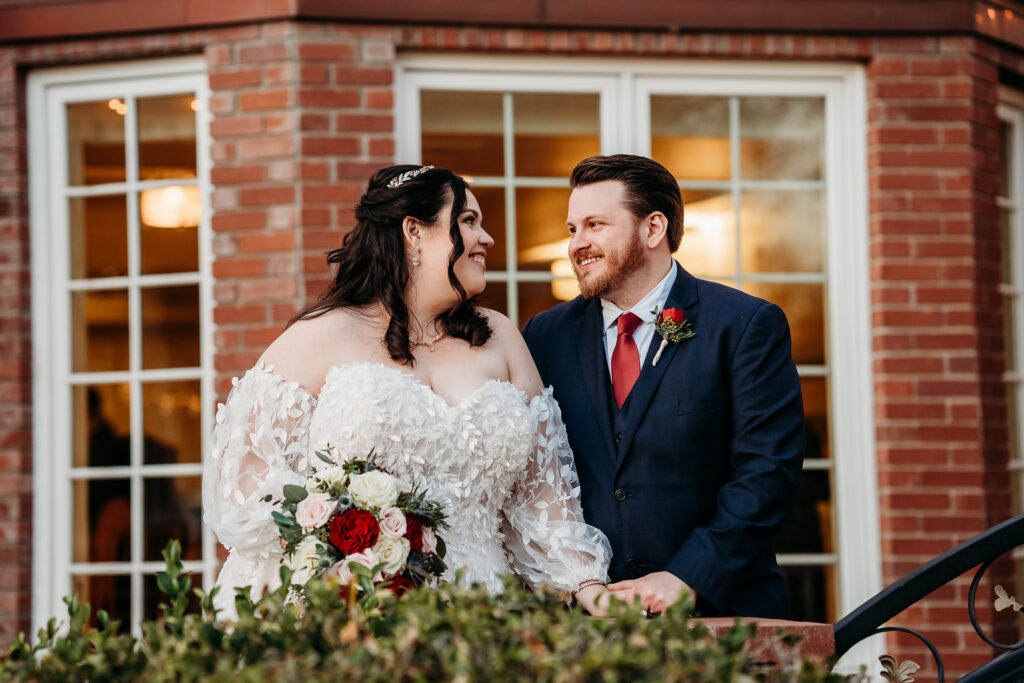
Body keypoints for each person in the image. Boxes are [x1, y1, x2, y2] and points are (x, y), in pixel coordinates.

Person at [202, 165, 612, 621]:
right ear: (414, 231)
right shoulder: (321, 335)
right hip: (347, 605)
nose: (487, 238)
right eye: (468, 221)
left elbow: (542, 498)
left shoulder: (500, 337)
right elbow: (242, 474)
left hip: (480, 607)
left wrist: (588, 586)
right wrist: (343, 532)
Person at [521, 154, 804, 619]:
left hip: (718, 614)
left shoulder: (743, 325)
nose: (577, 244)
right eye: (572, 229)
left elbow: (766, 471)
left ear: (653, 229)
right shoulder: (543, 336)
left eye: (594, 225)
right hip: (585, 626)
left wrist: (687, 576)